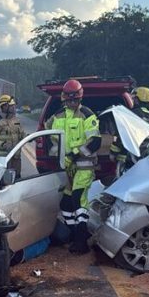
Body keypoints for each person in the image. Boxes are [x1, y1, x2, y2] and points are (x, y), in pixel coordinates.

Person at [45, 79, 101, 255]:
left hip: (84, 166)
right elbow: (49, 136)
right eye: (69, 100)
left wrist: (74, 155)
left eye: (75, 99)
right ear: (64, 98)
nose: (72, 103)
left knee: (78, 199)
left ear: (80, 98)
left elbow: (95, 142)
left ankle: (81, 241)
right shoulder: (57, 116)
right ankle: (73, 234)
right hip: (66, 167)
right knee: (66, 204)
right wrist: (58, 156)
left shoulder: (87, 114)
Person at [0, 94, 26, 179]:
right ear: (4, 106)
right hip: (3, 159)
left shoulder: (16, 120)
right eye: (11, 106)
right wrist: (3, 145)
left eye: (14, 106)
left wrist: (30, 137)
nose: (14, 108)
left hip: (16, 159)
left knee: (17, 180)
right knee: (4, 182)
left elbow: (22, 134)